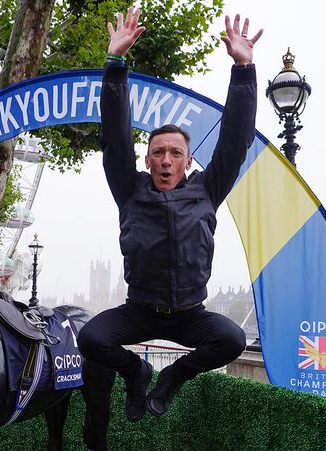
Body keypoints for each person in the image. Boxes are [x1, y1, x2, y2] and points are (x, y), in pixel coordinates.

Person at [78, 7, 262, 421]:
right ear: (146, 160)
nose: (166, 160)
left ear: (188, 160)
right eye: (158, 152)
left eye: (175, 153)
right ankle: (137, 373)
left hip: (190, 316)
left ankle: (173, 377)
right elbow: (115, 138)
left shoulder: (207, 189)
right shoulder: (130, 189)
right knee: (90, 338)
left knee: (232, 339)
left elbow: (235, 141)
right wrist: (115, 64)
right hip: (138, 311)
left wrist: (243, 71)